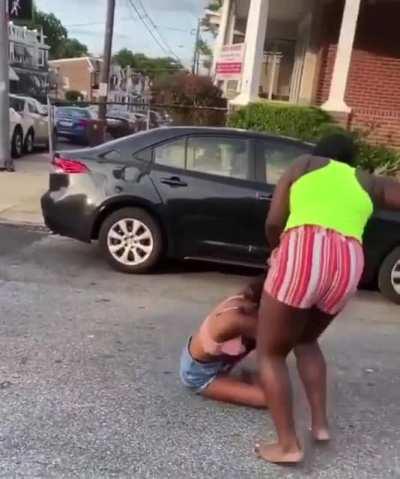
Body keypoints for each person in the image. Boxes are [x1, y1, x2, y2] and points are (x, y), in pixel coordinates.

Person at [256, 133, 400, 464]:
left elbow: (274, 220)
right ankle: (320, 425)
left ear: (319, 153)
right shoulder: (367, 181)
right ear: (352, 161)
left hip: (305, 247)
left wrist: (278, 247)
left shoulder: (303, 165)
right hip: (349, 260)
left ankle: (288, 445)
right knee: (307, 340)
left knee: (271, 352)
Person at [180, 275, 268, 408]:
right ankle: (235, 381)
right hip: (199, 375)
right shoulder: (238, 320)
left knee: (273, 386)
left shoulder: (247, 302)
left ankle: (239, 379)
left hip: (207, 361)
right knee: (268, 399)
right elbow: (280, 341)